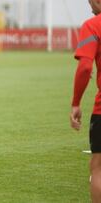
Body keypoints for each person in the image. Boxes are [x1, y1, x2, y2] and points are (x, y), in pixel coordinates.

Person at [70, 0, 101, 202]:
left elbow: (84, 68)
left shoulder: (93, 24)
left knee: (98, 167)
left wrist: (75, 103)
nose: (89, 5)